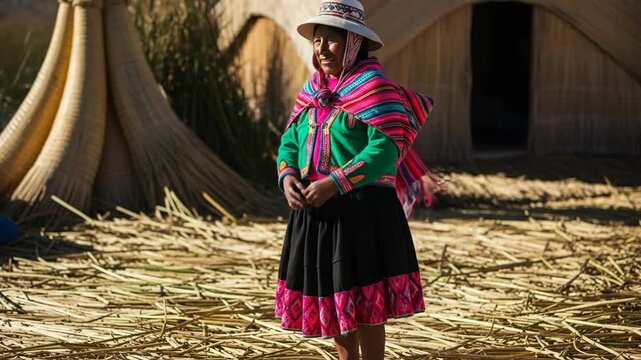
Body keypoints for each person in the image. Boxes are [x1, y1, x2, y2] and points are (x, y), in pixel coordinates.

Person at [274, 1, 438, 358]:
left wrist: (334, 182)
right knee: (337, 299)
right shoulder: (312, 93)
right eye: (318, 40)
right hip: (318, 212)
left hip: (362, 212)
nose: (322, 49)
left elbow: (385, 150)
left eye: (332, 40)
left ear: (353, 43)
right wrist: (287, 177)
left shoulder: (375, 89)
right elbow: (290, 141)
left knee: (366, 298)